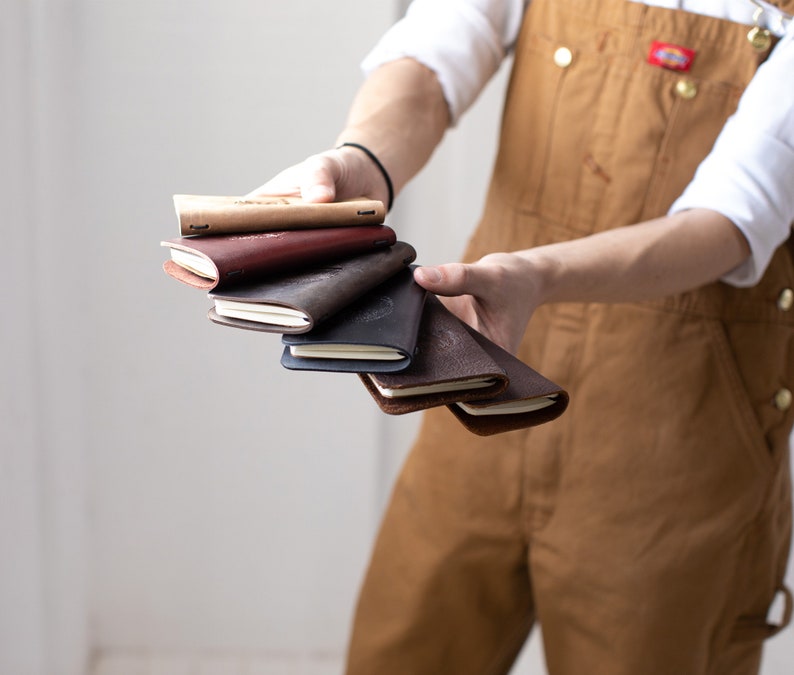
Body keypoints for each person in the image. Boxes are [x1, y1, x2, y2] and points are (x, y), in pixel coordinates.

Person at [250, 0, 794, 673]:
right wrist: (362, 162)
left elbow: (732, 219)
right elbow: (437, 49)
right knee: (403, 649)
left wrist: (533, 274)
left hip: (680, 433)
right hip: (478, 378)